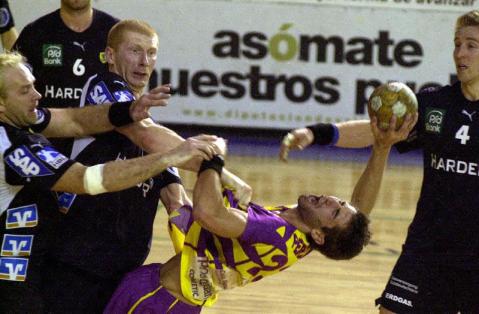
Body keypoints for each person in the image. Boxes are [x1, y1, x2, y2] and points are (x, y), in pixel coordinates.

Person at [102, 113, 414, 313]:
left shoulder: (273, 233)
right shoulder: (302, 237)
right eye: (339, 203)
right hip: (177, 296)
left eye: (334, 212)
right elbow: (361, 211)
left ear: (319, 234)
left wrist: (216, 162)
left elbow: (208, 214)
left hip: (156, 300)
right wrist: (381, 149)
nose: (331, 200)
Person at [42, 19, 251, 313]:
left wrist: (208, 256)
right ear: (111, 55)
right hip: (76, 259)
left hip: (124, 266)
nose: (144, 62)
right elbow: (145, 134)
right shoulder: (103, 88)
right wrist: (221, 171)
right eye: (135, 51)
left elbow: (177, 201)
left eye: (151, 53)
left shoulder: (154, 133)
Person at [280, 10, 479, 313]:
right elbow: (377, 130)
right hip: (428, 248)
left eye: (471, 45)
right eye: (457, 44)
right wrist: (317, 133)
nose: (460, 53)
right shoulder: (435, 103)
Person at [0, 51, 220, 313]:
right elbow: (87, 179)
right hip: (12, 273)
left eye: (34, 85)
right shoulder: (12, 147)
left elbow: (75, 121)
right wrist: (169, 157)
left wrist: (126, 110)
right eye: (25, 90)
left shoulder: (24, 119)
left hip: (35, 263)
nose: (37, 95)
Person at [13, 0, 119, 154]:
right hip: (46, 147)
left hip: (102, 146)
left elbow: (130, 87)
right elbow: (11, 82)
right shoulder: (36, 32)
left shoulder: (114, 32)